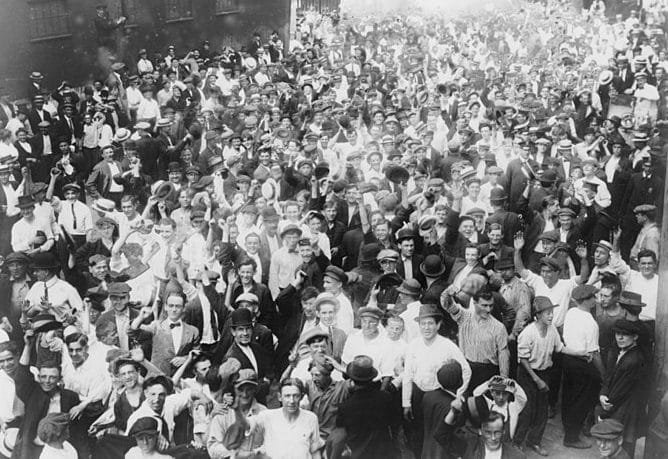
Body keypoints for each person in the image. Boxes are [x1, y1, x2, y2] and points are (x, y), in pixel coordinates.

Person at [402, 303, 471, 458]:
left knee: (438, 434)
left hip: (439, 396)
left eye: (431, 323)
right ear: (419, 325)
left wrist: (458, 395)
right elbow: (407, 375)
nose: (427, 328)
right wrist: (406, 402)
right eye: (423, 324)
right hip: (418, 394)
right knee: (417, 431)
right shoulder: (413, 345)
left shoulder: (447, 345)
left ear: (438, 325)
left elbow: (466, 369)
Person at [441, 285, 510, 390]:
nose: (488, 309)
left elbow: (503, 355)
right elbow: (448, 305)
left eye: (491, 306)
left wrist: (503, 381)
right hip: (466, 368)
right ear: (475, 303)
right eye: (484, 305)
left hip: (488, 372)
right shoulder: (464, 317)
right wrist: (447, 293)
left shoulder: (499, 327)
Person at [598, 319, 647, 457]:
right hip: (618, 405)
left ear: (635, 336)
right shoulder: (622, 352)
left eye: (624, 334)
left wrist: (604, 412)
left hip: (626, 409)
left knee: (622, 446)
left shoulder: (634, 360)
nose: (619, 337)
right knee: (616, 445)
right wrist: (603, 394)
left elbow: (620, 390)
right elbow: (610, 377)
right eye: (617, 333)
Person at [335, 355, 398, 459]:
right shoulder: (385, 398)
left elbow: (341, 435)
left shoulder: (345, 407)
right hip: (384, 453)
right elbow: (394, 422)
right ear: (372, 377)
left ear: (352, 379)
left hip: (359, 454)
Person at [244, 378, 324, 458]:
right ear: (279, 397)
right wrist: (236, 409)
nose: (291, 401)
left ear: (301, 396)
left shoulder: (311, 418)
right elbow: (245, 424)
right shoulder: (267, 417)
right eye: (287, 396)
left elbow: (315, 451)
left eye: (295, 396)